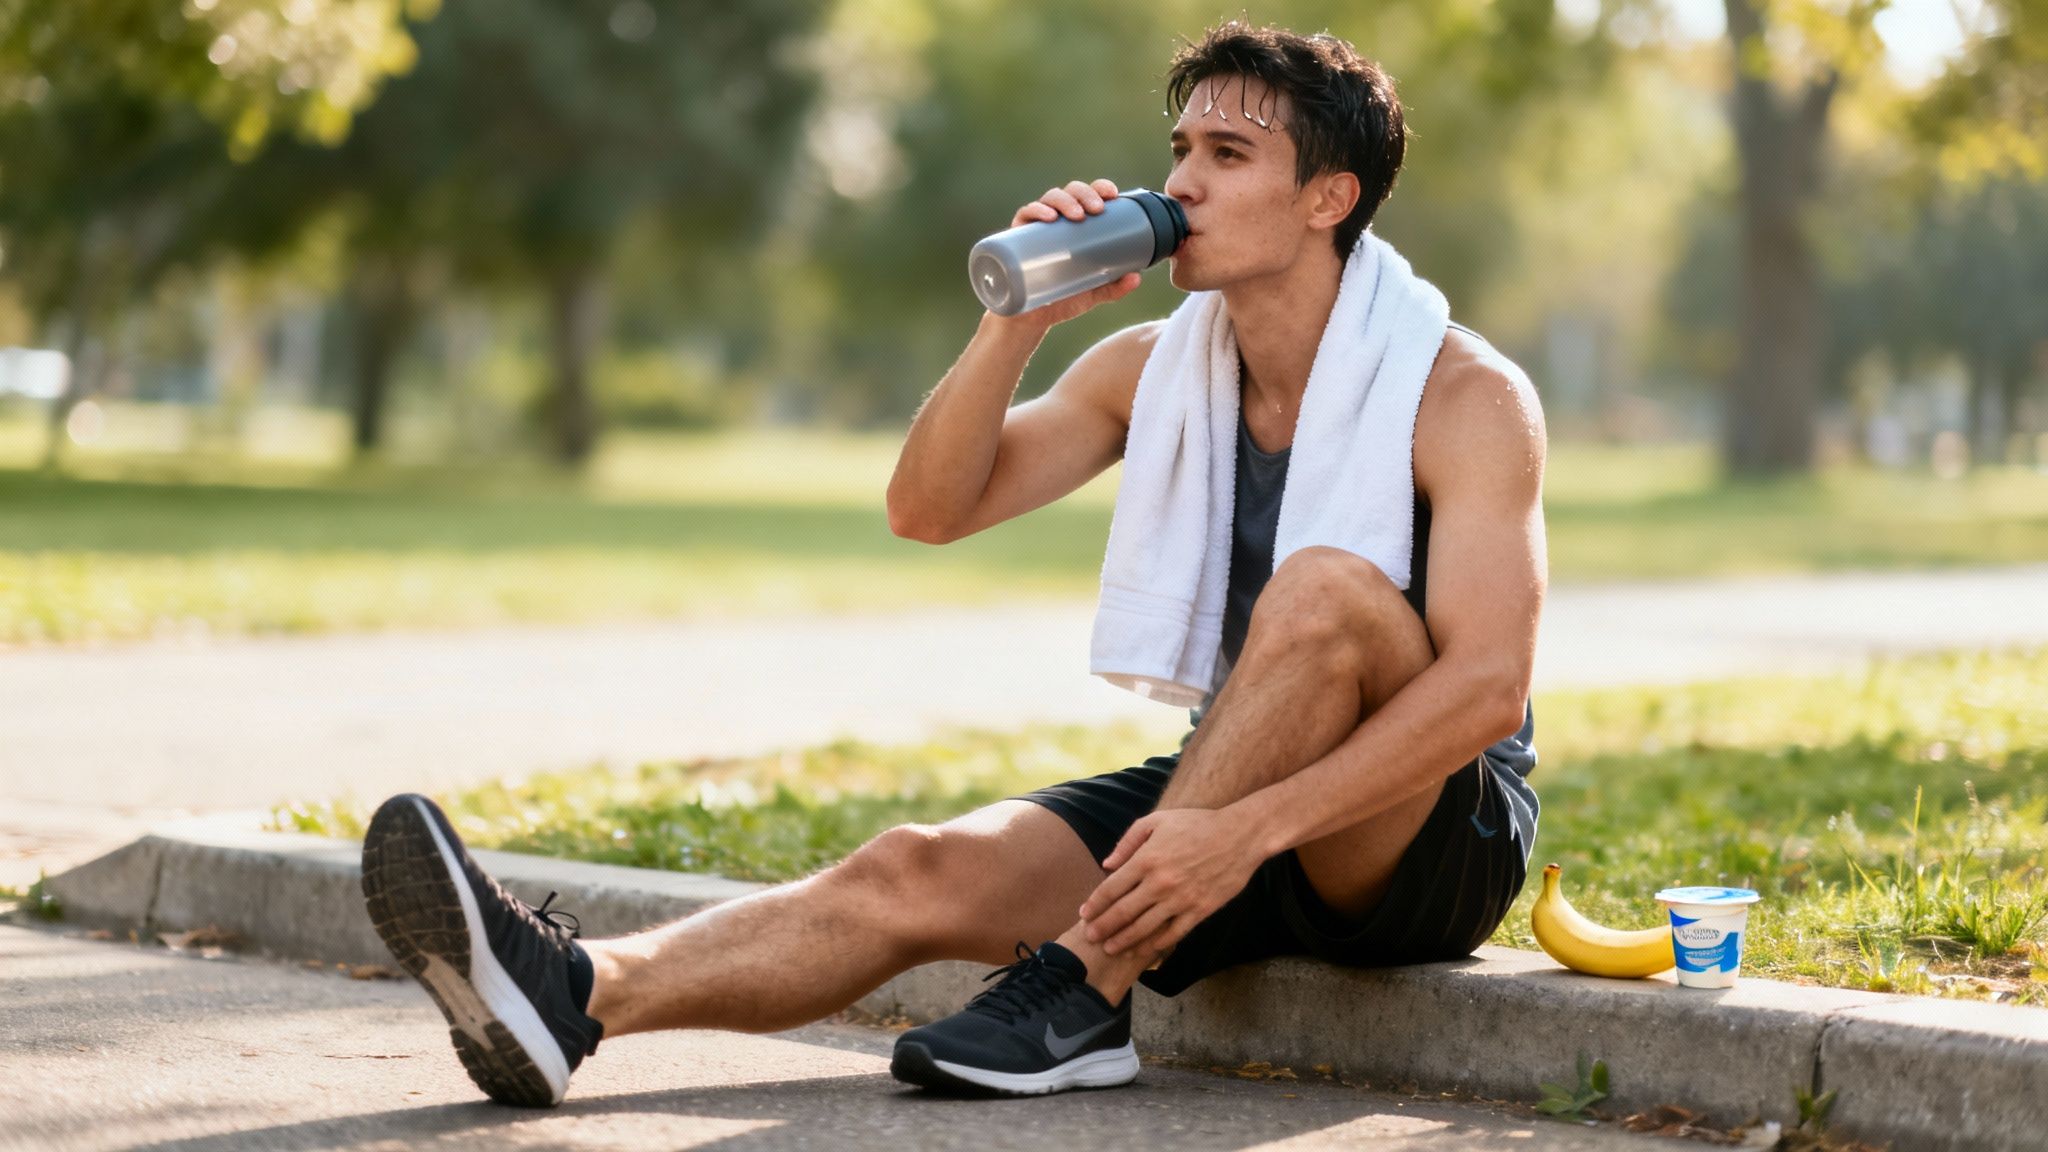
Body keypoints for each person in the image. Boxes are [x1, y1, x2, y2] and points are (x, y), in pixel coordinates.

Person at [358, 20, 1546, 1108]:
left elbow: (1486, 685)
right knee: (913, 869)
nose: (1177, 181)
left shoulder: (1463, 396)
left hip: (1424, 831)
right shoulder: (1157, 367)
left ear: (1325, 198)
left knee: (1329, 591)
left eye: (1227, 156)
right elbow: (927, 509)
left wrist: (1242, 832)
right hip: (1231, 785)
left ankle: (1085, 988)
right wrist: (1015, 323)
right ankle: (568, 993)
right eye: (1179, 146)